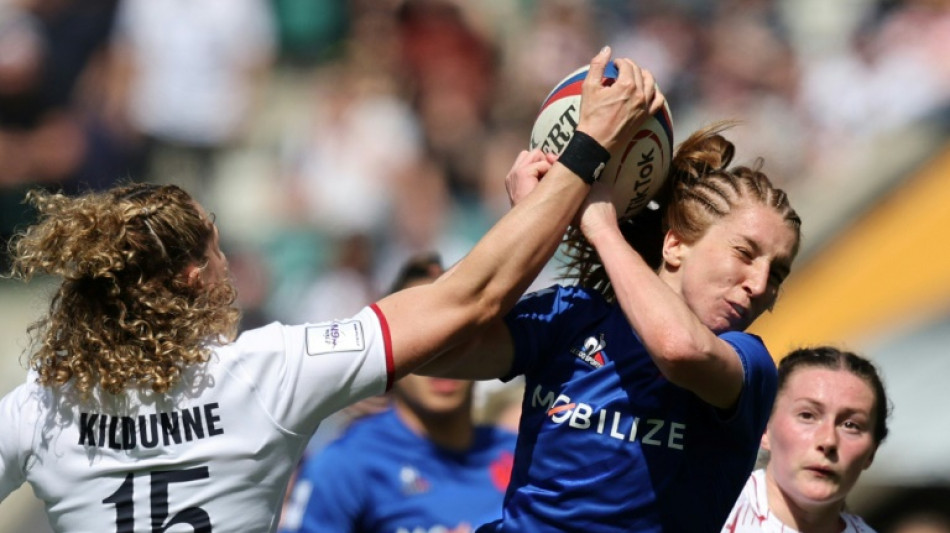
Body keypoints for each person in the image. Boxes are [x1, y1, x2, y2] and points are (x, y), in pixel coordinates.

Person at [0, 47, 666, 533]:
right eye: (216, 245)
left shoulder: (40, 409)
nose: (232, 264)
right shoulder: (264, 374)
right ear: (190, 276)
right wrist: (585, 153)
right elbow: (468, 299)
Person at [418, 123, 803, 531]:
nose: (760, 285)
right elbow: (433, 338)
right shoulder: (573, 316)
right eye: (745, 253)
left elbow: (677, 348)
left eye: (777, 274)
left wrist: (602, 227)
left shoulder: (749, 365)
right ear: (674, 245)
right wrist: (528, 224)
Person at [280, 253, 516, 533]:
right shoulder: (347, 463)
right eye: (423, 337)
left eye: (458, 334)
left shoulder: (522, 456)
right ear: (390, 350)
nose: (443, 354)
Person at [722, 346, 891, 533]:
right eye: (807, 415)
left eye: (851, 425)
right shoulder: (707, 512)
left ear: (872, 452)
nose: (828, 441)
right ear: (764, 429)